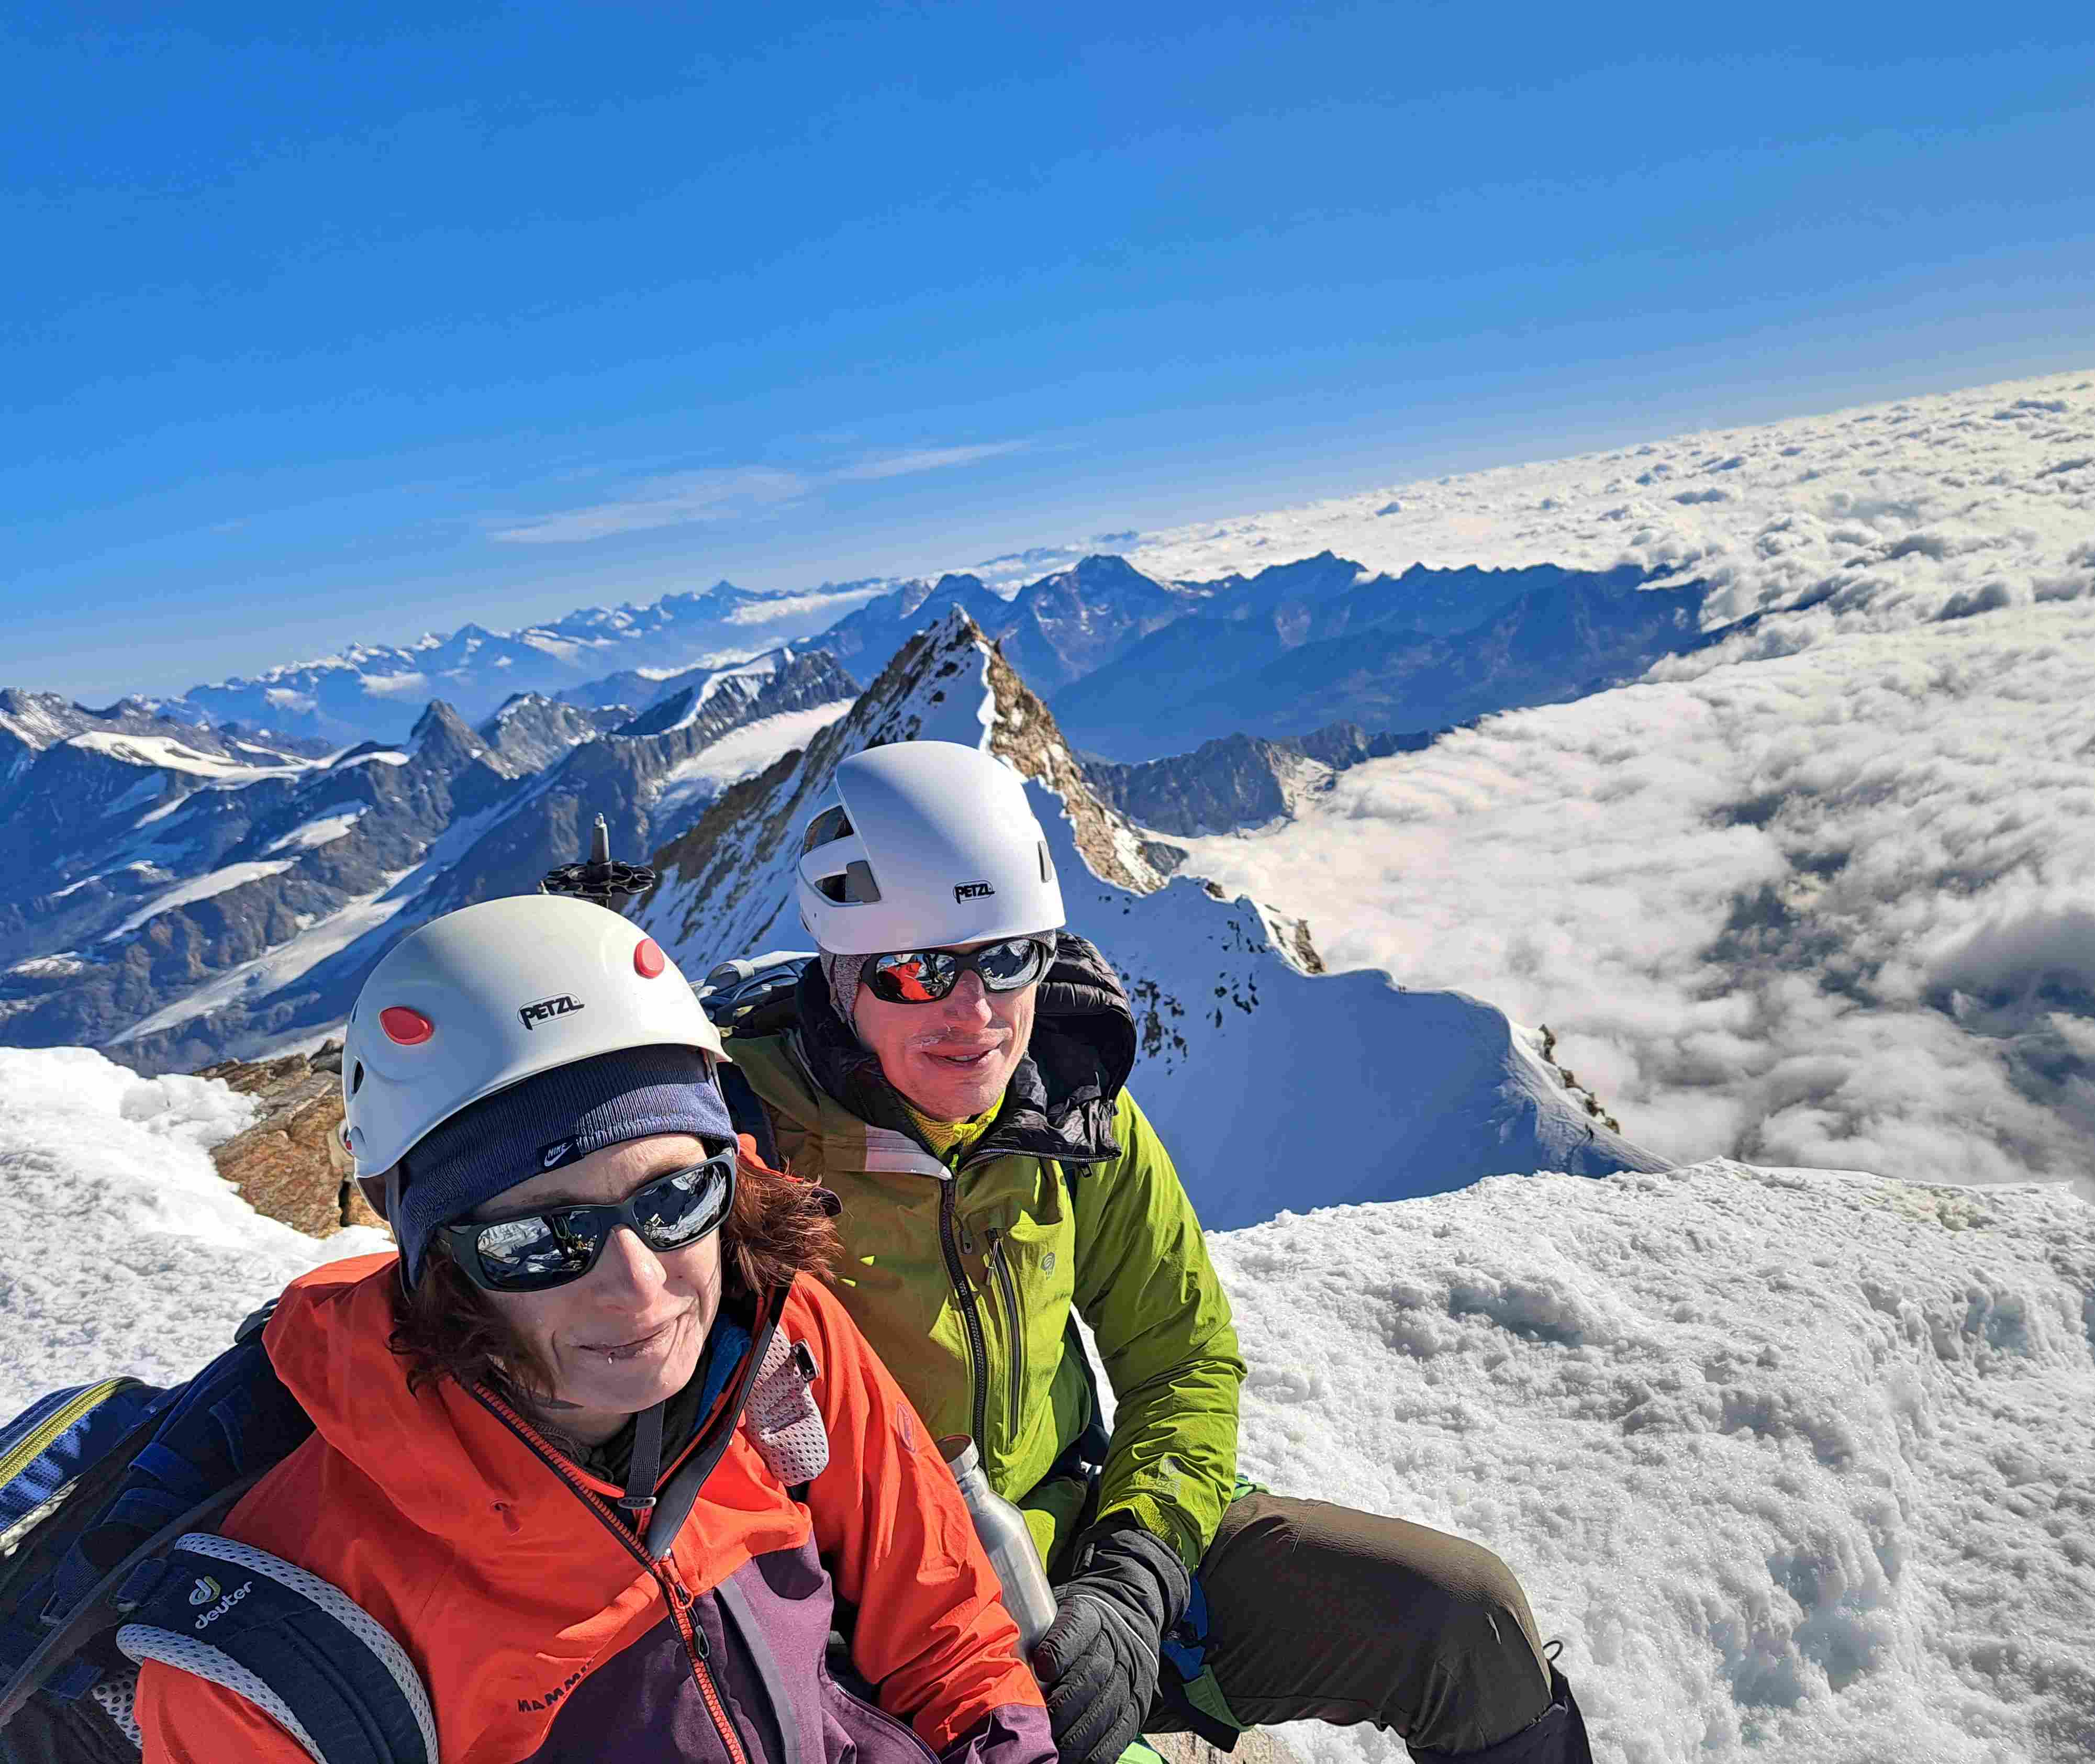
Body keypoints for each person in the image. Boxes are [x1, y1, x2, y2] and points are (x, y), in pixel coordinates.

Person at [721, 741, 1594, 1764]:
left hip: (1087, 1549)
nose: (976, 1015)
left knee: (1465, 1622)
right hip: (882, 1638)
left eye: (1008, 958)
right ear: (841, 979)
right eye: (919, 971)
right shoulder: (744, 1155)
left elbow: (1181, 1358)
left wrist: (1134, 1577)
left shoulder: (1067, 1102)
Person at [134, 894, 1057, 1764]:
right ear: (439, 1268)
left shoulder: (777, 1341)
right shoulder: (278, 1650)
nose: (639, 1284)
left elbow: (948, 1635)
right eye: (539, 1239)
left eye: (674, 1198)